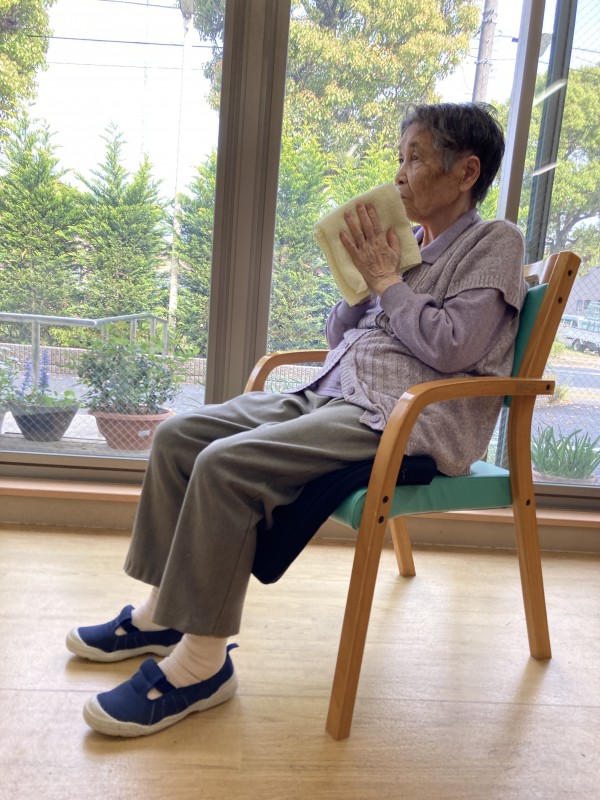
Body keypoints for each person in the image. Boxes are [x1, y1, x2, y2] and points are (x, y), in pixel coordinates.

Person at [66, 102, 527, 737]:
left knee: (225, 466)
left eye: (416, 158)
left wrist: (387, 282)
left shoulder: (494, 242)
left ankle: (202, 665)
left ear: (466, 171)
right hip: (336, 391)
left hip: (404, 416)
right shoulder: (407, 245)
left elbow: (452, 346)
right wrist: (361, 285)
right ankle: (161, 616)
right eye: (399, 158)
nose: (399, 174)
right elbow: (343, 335)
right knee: (178, 436)